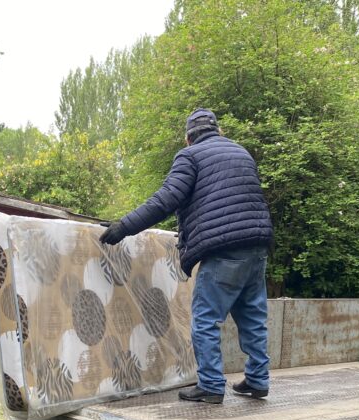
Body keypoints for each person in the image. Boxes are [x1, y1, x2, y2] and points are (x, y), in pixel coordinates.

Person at [100, 108, 274, 404]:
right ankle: (258, 380)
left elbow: (166, 199)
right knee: (252, 316)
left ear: (188, 137)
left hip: (223, 248)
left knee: (205, 319)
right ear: (218, 131)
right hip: (257, 244)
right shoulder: (241, 153)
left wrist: (124, 227)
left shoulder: (190, 156)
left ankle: (211, 385)